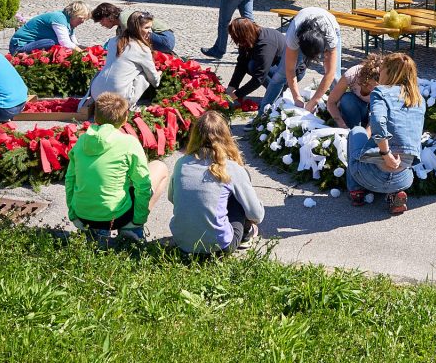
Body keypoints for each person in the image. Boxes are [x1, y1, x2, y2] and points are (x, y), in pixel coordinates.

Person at [65, 92, 169, 242]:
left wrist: (73, 214)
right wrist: (138, 219)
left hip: (83, 217)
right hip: (117, 217)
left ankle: (96, 232)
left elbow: (70, 179)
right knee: (159, 167)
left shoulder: (81, 141)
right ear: (125, 118)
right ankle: (132, 229)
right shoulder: (128, 143)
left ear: (95, 116)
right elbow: (143, 184)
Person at [168, 110, 264, 254]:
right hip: (219, 247)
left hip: (182, 242)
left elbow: (172, 197)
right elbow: (256, 214)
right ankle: (245, 234)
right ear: (226, 136)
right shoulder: (231, 167)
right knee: (237, 197)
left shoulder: (181, 163)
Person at [346, 53, 425, 216]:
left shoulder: (381, 92)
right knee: (400, 160)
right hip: (403, 178)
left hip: (370, 175)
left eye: (381, 70)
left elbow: (377, 122)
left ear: (388, 72)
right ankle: (395, 194)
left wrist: (386, 153)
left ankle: (356, 191)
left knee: (356, 132)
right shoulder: (418, 99)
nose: (379, 74)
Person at [259, 6, 342, 114]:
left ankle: (339, 114)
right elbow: (290, 69)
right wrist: (296, 97)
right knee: (280, 75)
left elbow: (330, 73)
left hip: (330, 26)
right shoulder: (293, 37)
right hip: (302, 27)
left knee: (335, 76)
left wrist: (314, 101)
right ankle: (262, 114)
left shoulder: (330, 38)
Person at [84, 11, 161, 110]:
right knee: (145, 74)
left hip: (96, 94)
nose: (151, 31)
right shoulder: (142, 49)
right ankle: (130, 105)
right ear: (137, 28)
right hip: (118, 100)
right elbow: (154, 80)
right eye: (147, 28)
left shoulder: (113, 41)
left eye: (151, 27)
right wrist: (158, 76)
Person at [223, 18, 303, 107]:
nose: (235, 42)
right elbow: (242, 63)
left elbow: (259, 78)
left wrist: (235, 95)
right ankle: (275, 90)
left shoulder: (265, 44)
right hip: (276, 66)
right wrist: (231, 87)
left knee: (253, 66)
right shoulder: (250, 36)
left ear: (243, 35)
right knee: (249, 64)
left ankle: (276, 94)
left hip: (293, 73)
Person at [91, 2, 176, 55]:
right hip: (161, 38)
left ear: (107, 16)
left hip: (165, 39)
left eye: (101, 21)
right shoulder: (119, 27)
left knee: (130, 39)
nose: (101, 24)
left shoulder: (124, 19)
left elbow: (131, 43)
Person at [326, 52, 383, 129]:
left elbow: (377, 114)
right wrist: (342, 125)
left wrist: (366, 134)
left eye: (374, 87)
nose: (370, 88)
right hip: (355, 109)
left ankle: (358, 132)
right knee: (347, 99)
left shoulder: (384, 86)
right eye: (367, 85)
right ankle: (353, 129)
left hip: (373, 115)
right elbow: (331, 102)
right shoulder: (351, 75)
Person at [9, 1, 90, 54]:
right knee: (53, 42)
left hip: (31, 44)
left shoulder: (69, 24)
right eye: (81, 18)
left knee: (57, 44)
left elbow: (74, 44)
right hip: (18, 47)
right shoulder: (59, 18)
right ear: (73, 14)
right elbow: (65, 42)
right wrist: (81, 53)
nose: (82, 21)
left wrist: (87, 49)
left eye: (84, 19)